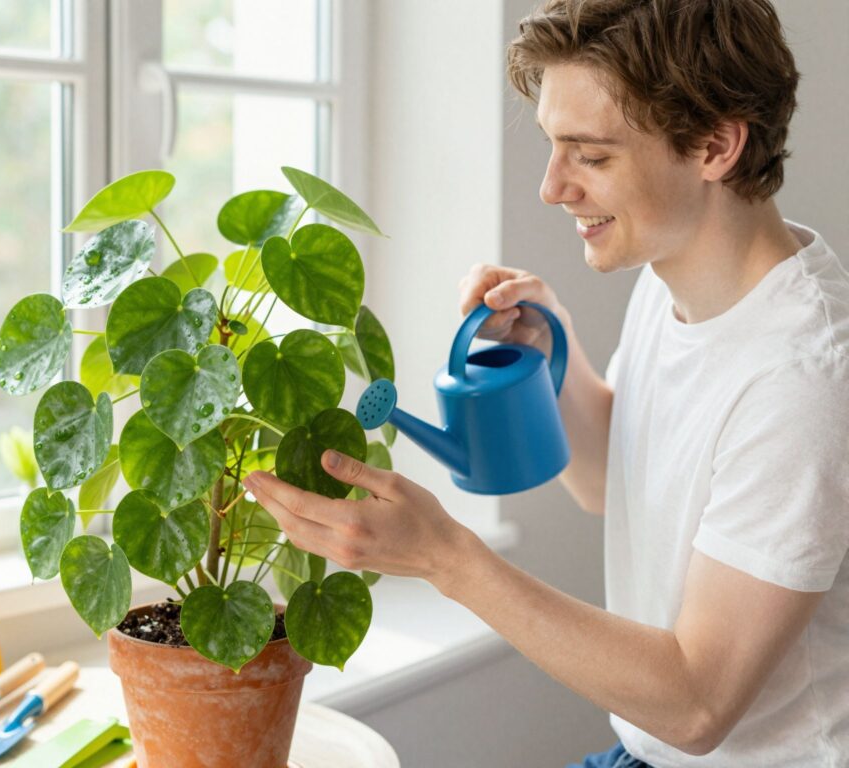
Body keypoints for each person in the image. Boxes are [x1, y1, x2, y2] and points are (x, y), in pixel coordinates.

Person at [242, 1, 849, 765]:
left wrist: (446, 558)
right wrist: (549, 347)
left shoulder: (803, 379)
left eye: (590, 156)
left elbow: (697, 704)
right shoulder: (677, 275)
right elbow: (610, 484)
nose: (552, 187)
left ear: (715, 146)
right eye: (553, 147)